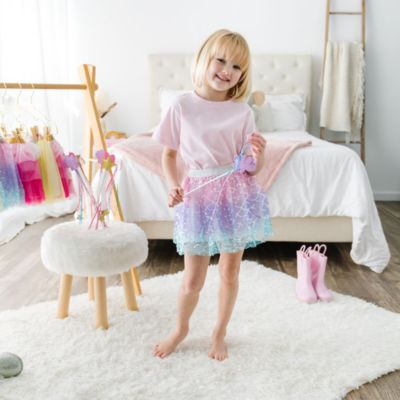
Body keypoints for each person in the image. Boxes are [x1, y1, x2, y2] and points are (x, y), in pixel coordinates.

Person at [152, 29, 272, 361]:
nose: (227, 71)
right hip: (198, 195)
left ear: (242, 74)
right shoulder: (181, 106)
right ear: (204, 58)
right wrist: (172, 185)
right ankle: (181, 329)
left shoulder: (242, 111)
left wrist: (259, 155)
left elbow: (250, 168)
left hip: (235, 195)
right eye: (221, 60)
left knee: (230, 272)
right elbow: (168, 155)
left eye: (236, 66)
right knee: (192, 279)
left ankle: (220, 332)